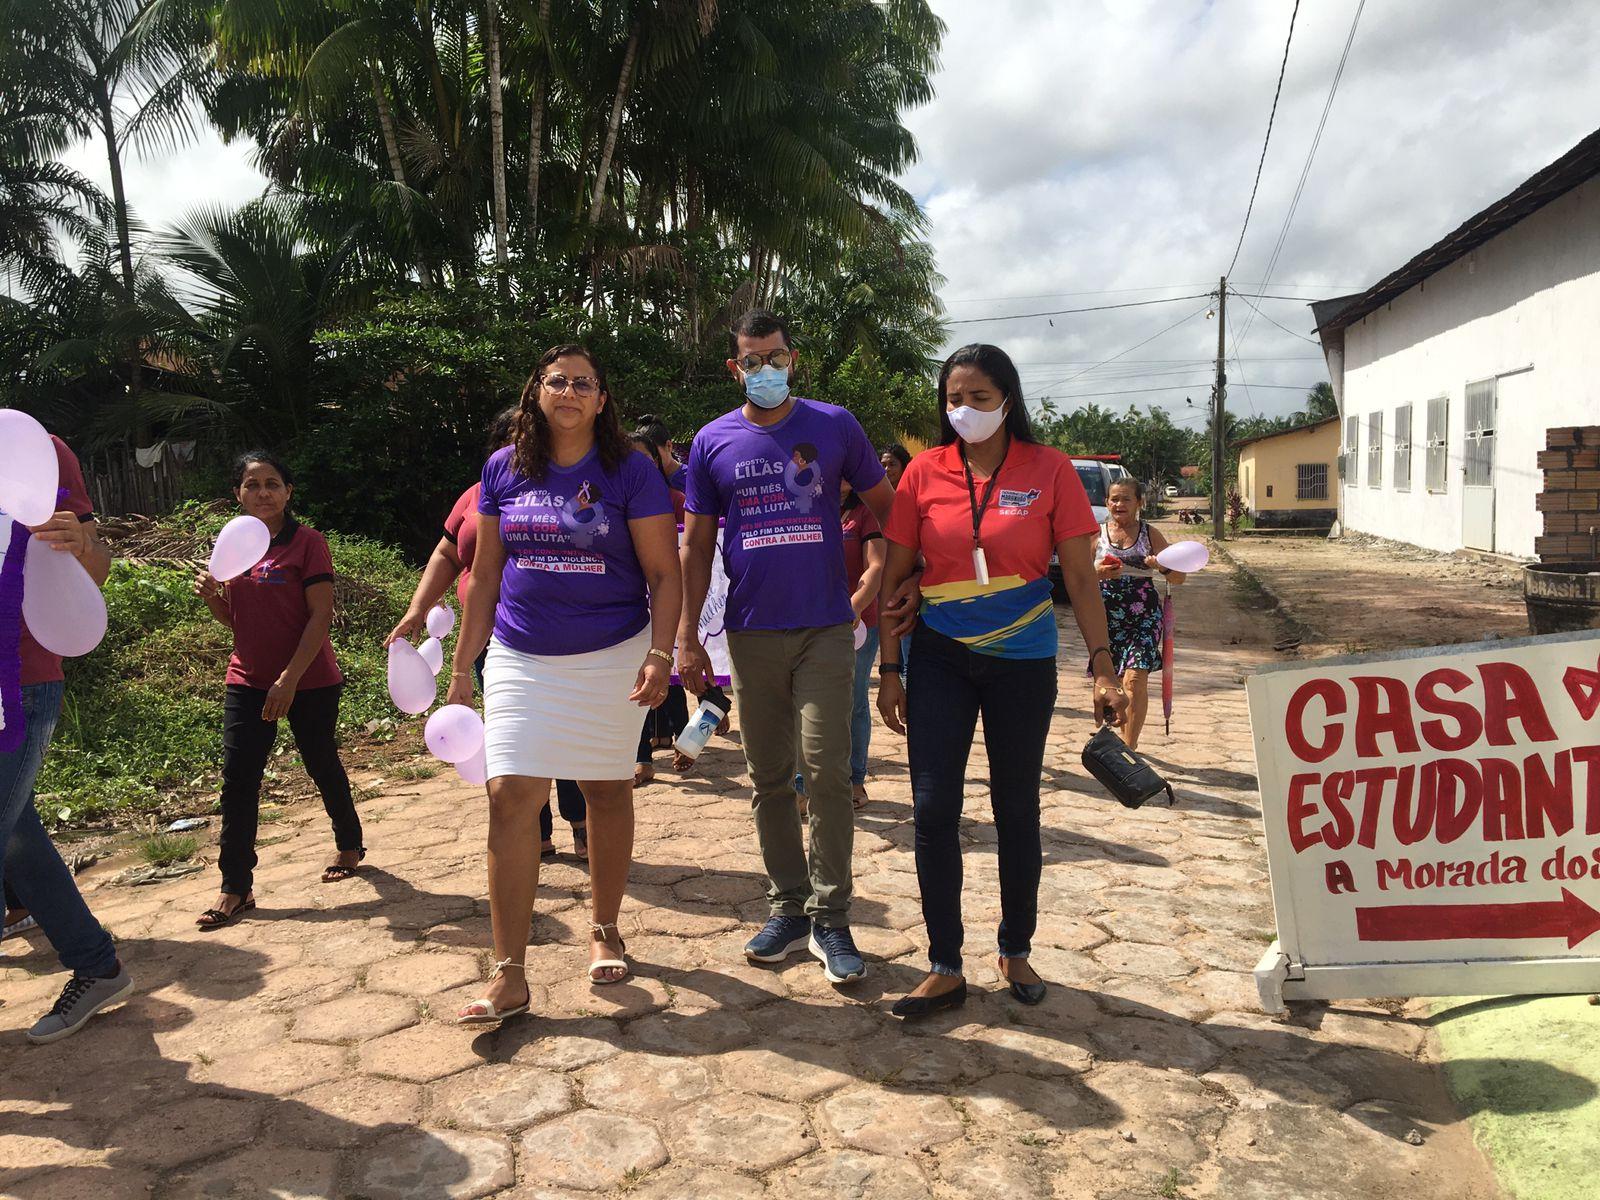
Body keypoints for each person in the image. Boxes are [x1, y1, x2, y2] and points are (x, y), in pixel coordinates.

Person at [876, 343, 1130, 1019]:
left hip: (1023, 662)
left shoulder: (1050, 470)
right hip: (938, 659)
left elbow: (1078, 575)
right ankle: (944, 965)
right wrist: (889, 668)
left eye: (979, 399)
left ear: (1009, 400)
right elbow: (894, 577)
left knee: (1017, 809)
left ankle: (1016, 949)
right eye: (953, 400)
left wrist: (1103, 664)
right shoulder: (923, 474)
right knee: (933, 811)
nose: (964, 411)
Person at [448, 345, 682, 1022]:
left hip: (612, 651)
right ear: (538, 392)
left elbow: (665, 574)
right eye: (558, 381)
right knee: (509, 795)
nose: (571, 391)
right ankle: (509, 973)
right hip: (521, 654)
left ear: (601, 400)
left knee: (606, 789)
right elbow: (486, 575)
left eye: (585, 383)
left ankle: (605, 926)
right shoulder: (504, 469)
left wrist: (660, 653)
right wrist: (464, 664)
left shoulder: (630, 471)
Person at [677, 309, 896, 985]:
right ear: (733, 367)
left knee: (826, 770)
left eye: (775, 358)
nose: (764, 370)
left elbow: (891, 510)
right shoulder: (712, 442)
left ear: (792, 360)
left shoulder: (834, 425)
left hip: (826, 628)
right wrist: (687, 633)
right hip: (749, 632)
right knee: (769, 777)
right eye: (751, 360)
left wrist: (897, 578)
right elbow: (696, 543)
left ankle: (832, 918)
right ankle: (789, 909)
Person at [386, 408, 588, 861]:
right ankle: (533, 831)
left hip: (556, 637)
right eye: (509, 440)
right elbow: (446, 552)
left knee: (561, 731)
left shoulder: (564, 492)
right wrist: (417, 610)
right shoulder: (475, 496)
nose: (520, 449)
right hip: (489, 640)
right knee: (512, 736)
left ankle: (581, 823)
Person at [193, 452, 363, 929]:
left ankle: (349, 842)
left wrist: (288, 680)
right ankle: (235, 888)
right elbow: (237, 622)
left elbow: (320, 617)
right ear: (238, 494)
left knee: (320, 761)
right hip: (247, 679)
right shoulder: (234, 544)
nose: (263, 492)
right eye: (252, 485)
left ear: (289, 492)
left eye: (272, 483)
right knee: (238, 779)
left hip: (308, 680)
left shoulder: (307, 543)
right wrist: (213, 601)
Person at [1, 433, 131, 1043]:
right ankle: (96, 965)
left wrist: (81, 544)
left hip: (20, 680)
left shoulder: (33, 447)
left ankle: (96, 965)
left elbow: (97, 567)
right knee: (16, 834)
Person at [1095, 477, 1186, 750]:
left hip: (1143, 616)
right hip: (1106, 617)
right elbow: (1077, 574)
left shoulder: (1150, 534)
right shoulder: (1097, 534)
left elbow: (1179, 577)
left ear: (1139, 503)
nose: (1119, 504)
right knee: (1114, 683)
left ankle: (1128, 748)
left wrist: (1161, 567)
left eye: (1126, 499)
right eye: (1114, 499)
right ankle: (1119, 732)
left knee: (1135, 678)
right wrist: (1097, 572)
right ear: (1107, 502)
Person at [630, 425, 690, 786]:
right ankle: (641, 757)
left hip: (669, 602)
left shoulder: (678, 501)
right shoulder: (612, 502)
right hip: (629, 608)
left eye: (645, 458)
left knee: (675, 676)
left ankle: (686, 742)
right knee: (633, 682)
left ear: (656, 461)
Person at [841, 482, 886, 807]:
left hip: (858, 624)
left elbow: (877, 565)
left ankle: (855, 779)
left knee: (854, 703)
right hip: (812, 622)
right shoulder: (807, 505)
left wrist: (854, 606)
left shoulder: (864, 514)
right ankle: (806, 783)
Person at [635, 412, 688, 492]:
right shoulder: (641, 482)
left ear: (669, 446)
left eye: (653, 452)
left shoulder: (689, 479)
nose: (649, 460)